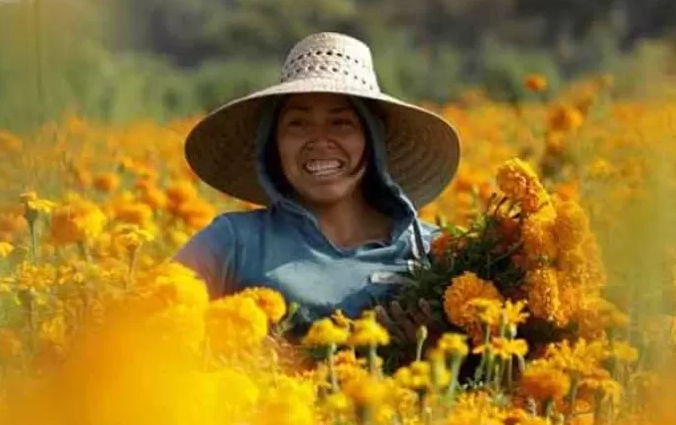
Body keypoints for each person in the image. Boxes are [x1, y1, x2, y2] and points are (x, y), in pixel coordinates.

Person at [173, 32, 461, 347]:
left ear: (372, 141)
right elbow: (145, 330)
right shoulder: (233, 242)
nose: (320, 140)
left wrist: (438, 350)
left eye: (341, 123)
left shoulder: (434, 252)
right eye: (298, 124)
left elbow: (501, 372)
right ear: (274, 144)